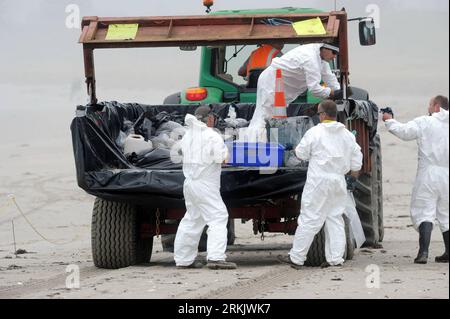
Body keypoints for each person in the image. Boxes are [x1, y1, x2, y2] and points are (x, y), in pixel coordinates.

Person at [278, 100, 363, 268]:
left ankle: (297, 257)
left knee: (310, 218)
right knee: (335, 218)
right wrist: (351, 178)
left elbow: (301, 154)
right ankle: (335, 259)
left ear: (323, 114)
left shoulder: (314, 132)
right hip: (338, 181)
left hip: (318, 180)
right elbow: (356, 164)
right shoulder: (347, 135)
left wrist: (295, 149)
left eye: (319, 113)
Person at [382, 95, 449, 264]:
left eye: (429, 104)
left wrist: (389, 120)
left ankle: (423, 253)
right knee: (446, 214)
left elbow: (404, 132)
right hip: (447, 174)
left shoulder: (426, 122)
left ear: (436, 106)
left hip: (429, 173)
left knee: (424, 211)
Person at [174, 106, 237, 270]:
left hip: (189, 183)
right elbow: (221, 158)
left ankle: (183, 259)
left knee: (192, 219)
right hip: (205, 184)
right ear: (209, 119)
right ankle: (216, 257)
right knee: (218, 217)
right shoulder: (212, 136)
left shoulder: (188, 135)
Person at [248, 43, 341, 139]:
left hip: (280, 89)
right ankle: (253, 145)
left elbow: (330, 79)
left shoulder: (321, 61)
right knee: (264, 117)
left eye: (336, 54)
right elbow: (314, 89)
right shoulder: (310, 58)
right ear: (324, 48)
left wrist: (340, 91)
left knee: (276, 121)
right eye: (333, 52)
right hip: (271, 83)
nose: (334, 56)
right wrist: (332, 93)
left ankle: (269, 145)